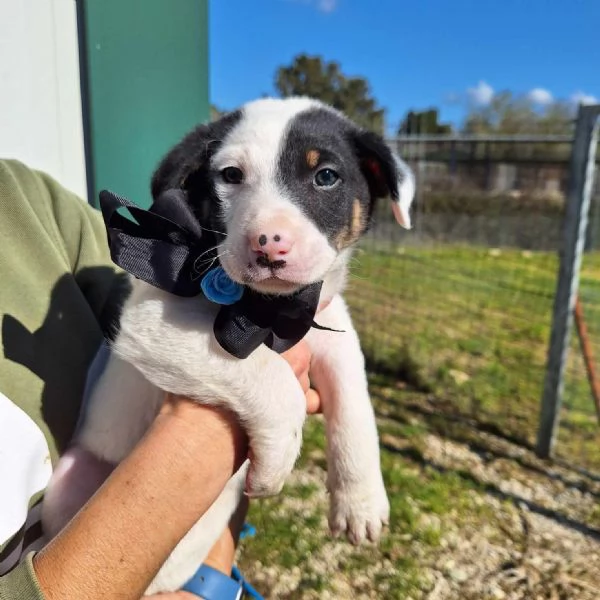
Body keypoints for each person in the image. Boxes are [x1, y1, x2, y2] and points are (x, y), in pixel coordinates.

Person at [0, 159, 320, 599]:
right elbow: (155, 331)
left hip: (197, 559)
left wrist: (212, 575)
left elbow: (155, 301)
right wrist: (220, 420)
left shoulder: (24, 200)